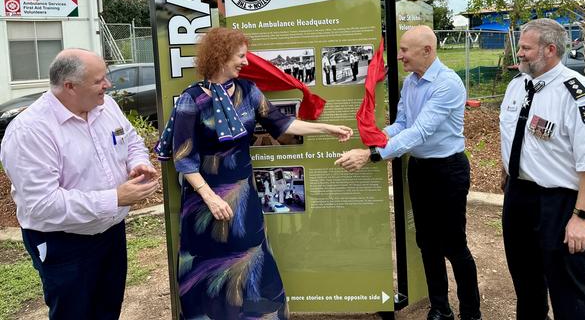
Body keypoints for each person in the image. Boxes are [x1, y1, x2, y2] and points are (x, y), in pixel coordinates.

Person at [168, 27, 353, 319]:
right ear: (220, 56)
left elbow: (282, 124)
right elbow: (183, 158)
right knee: (207, 267)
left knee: (252, 258)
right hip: (204, 201)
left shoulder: (248, 91)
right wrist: (210, 198)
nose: (246, 62)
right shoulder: (192, 100)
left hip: (243, 197)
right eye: (240, 56)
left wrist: (326, 128)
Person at [335, 26, 482, 320]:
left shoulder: (447, 84)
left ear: (427, 51)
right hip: (420, 169)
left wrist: (372, 155)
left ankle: (471, 313)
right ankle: (440, 308)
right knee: (426, 241)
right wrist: (376, 138)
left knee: (454, 245)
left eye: (404, 50)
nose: (399, 56)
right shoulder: (410, 83)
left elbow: (421, 131)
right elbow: (403, 124)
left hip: (448, 171)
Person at [0, 49, 159, 320]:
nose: (108, 85)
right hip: (64, 243)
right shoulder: (30, 132)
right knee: (73, 313)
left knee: (107, 309)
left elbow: (130, 140)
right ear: (69, 86)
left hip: (110, 232)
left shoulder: (106, 106)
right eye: (99, 80)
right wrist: (116, 198)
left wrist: (137, 163)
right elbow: (42, 205)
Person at [499, 18, 585, 320]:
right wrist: (507, 176)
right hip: (518, 196)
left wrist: (582, 217)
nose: (518, 53)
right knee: (526, 283)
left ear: (550, 50)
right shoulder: (516, 87)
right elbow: (512, 138)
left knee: (568, 289)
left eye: (525, 48)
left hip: (560, 202)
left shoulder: (577, 94)